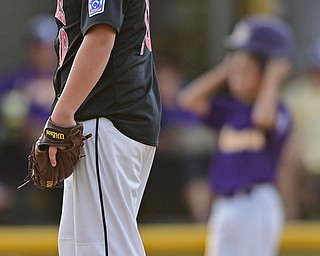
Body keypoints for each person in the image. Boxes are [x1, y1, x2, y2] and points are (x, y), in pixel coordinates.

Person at [44, 1, 161, 255]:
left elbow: (100, 39)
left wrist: (60, 118)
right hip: (103, 120)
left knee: (107, 248)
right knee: (81, 248)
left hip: (105, 117)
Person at [178, 15, 293, 256]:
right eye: (235, 70)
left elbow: (263, 119)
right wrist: (227, 68)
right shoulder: (229, 111)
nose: (237, 77)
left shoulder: (277, 111)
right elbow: (188, 100)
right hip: (223, 205)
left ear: (265, 70)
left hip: (256, 203)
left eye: (246, 70)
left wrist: (272, 75)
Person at [0, 14, 59, 225]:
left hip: (62, 162)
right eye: (36, 46)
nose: (41, 52)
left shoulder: (71, 81)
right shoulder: (14, 81)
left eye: (46, 46)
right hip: (21, 164)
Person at [282, 45, 320, 219]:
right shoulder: (295, 93)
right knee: (285, 159)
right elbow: (285, 132)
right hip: (304, 163)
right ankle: (291, 222)